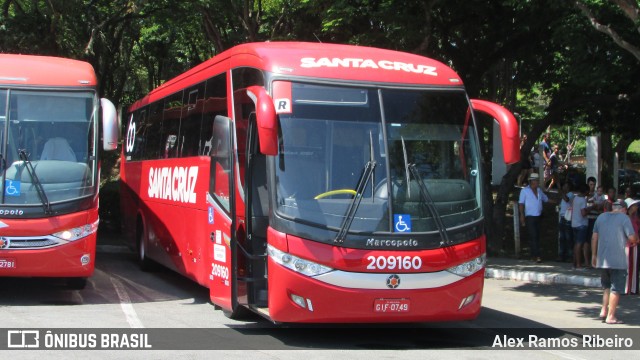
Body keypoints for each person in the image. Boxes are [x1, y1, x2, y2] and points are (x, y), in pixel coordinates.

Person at [591, 200, 638, 324]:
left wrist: (594, 255)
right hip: (618, 260)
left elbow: (594, 237)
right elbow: (632, 237)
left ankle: (603, 310)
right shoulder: (624, 218)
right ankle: (611, 316)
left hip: (603, 259)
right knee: (616, 288)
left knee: (606, 286)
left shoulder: (601, 217)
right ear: (623, 209)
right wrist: (636, 240)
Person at [519, 172, 549, 263]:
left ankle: (534, 255)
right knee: (533, 235)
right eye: (536, 181)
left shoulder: (539, 191)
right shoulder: (525, 191)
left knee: (537, 236)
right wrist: (522, 215)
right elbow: (521, 203)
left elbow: (546, 199)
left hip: (538, 216)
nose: (537, 182)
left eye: (537, 181)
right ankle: (537, 255)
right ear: (532, 181)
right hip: (530, 217)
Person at [571, 183, 590, 269]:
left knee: (576, 244)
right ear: (586, 191)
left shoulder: (575, 198)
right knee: (579, 244)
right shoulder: (582, 200)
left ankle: (574, 263)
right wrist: (590, 209)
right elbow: (583, 213)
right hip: (581, 224)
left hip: (574, 223)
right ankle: (578, 264)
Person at [624, 198, 640, 295]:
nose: (636, 207)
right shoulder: (626, 219)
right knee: (628, 267)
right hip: (628, 245)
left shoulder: (635, 218)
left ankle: (633, 288)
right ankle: (627, 288)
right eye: (634, 206)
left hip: (635, 244)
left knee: (634, 267)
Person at [557, 182, 574, 262]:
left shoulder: (570, 194)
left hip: (568, 218)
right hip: (562, 217)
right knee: (562, 237)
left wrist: (561, 191)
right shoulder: (563, 195)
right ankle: (561, 255)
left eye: (566, 186)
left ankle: (570, 255)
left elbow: (566, 199)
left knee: (568, 237)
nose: (564, 188)